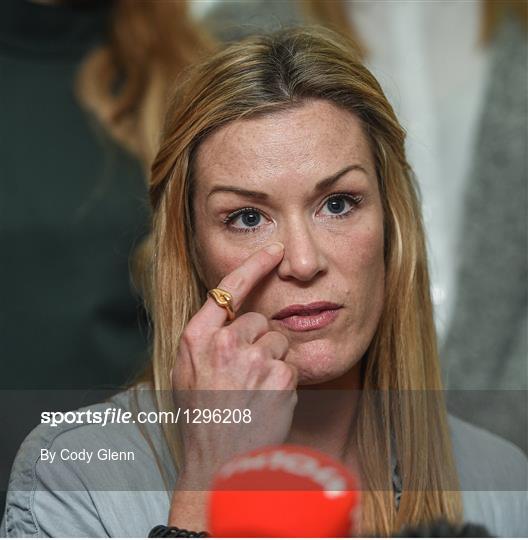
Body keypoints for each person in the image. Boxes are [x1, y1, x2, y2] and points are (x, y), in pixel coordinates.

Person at [2, 27, 527, 538]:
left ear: (391, 227)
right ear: (192, 250)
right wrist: (210, 485)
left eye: (338, 204)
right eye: (248, 218)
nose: (302, 261)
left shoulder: (500, 482)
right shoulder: (74, 478)